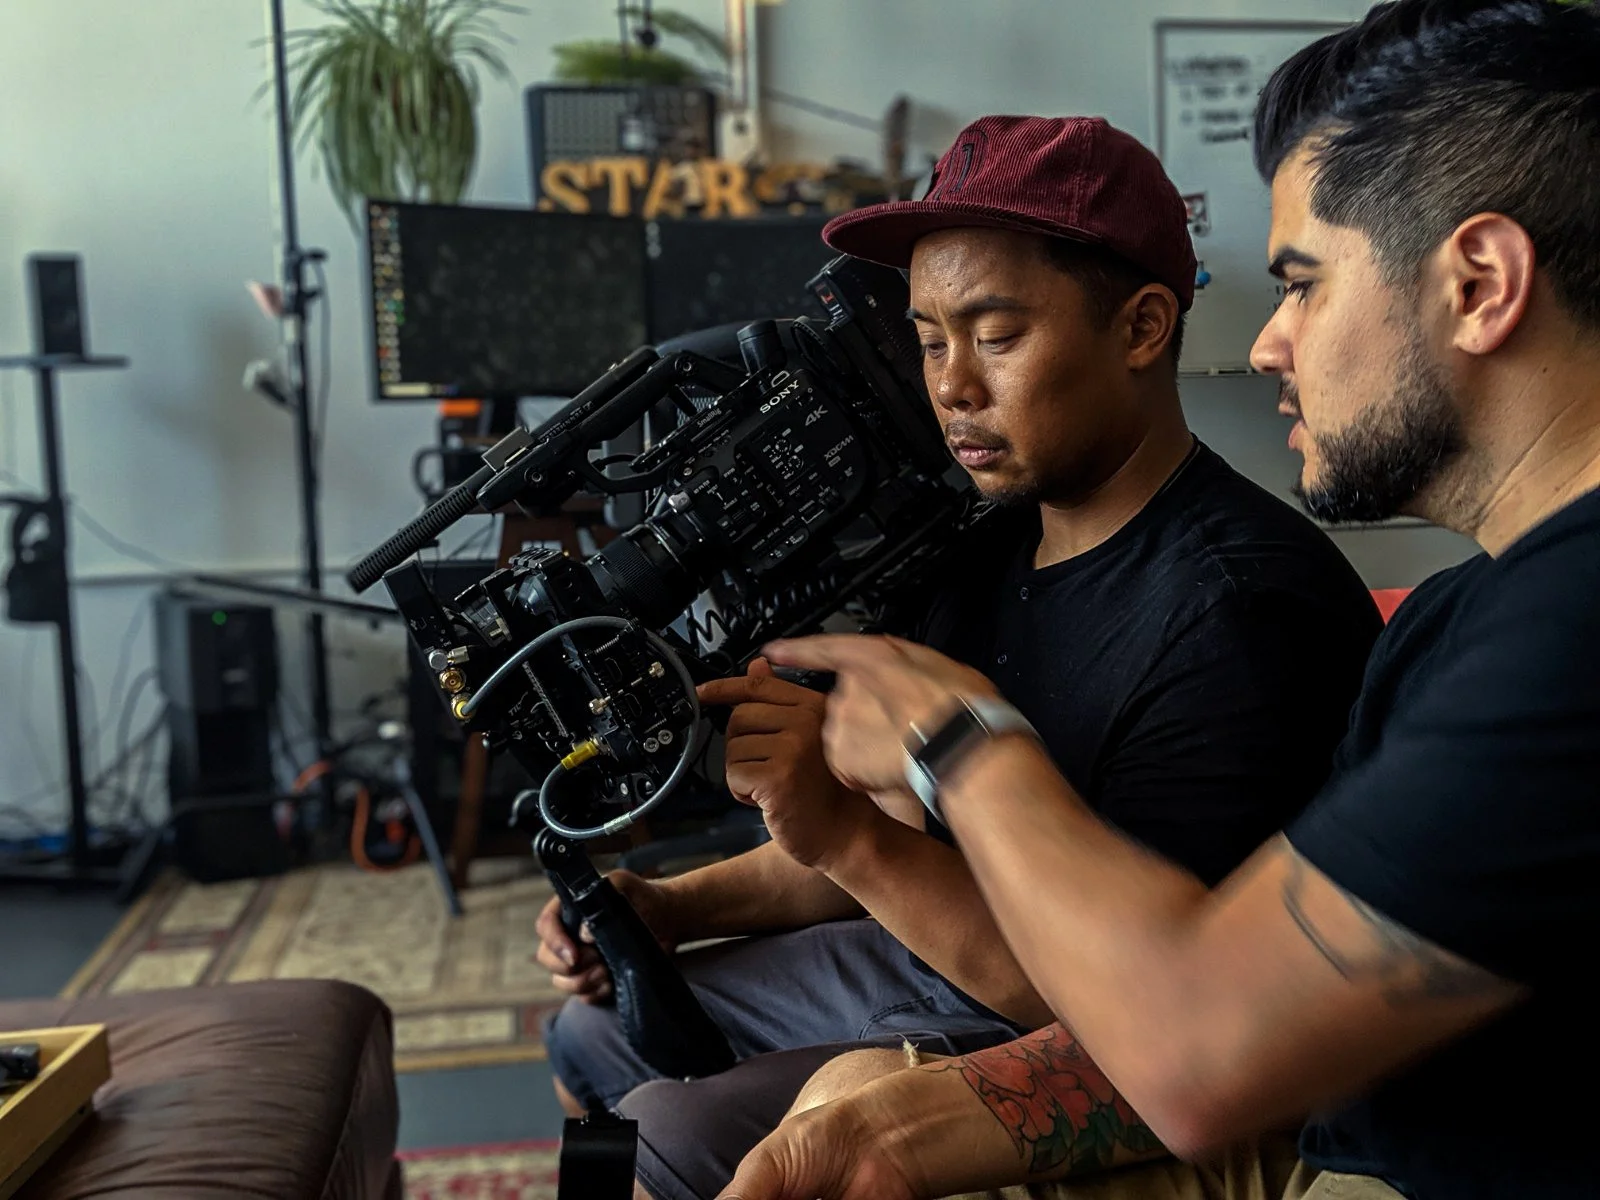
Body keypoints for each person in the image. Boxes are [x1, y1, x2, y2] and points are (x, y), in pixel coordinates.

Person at [732, 3, 1600, 1199]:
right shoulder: (1470, 617)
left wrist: (955, 742)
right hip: (1317, 1117)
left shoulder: (1567, 637)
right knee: (842, 1117)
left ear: (1478, 284)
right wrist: (883, 1135)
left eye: (1302, 284)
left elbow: (1196, 1050)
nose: (1267, 344)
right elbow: (1264, 1021)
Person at [538, 115, 1380, 1200]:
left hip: (1107, 1040)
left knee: (668, 1128)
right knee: (591, 1034)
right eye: (931, 339)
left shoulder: (1237, 611)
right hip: (940, 954)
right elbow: (901, 839)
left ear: (1139, 326)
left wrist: (842, 831)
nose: (951, 387)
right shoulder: (982, 543)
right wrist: (667, 905)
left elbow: (1140, 1018)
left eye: (995, 334)